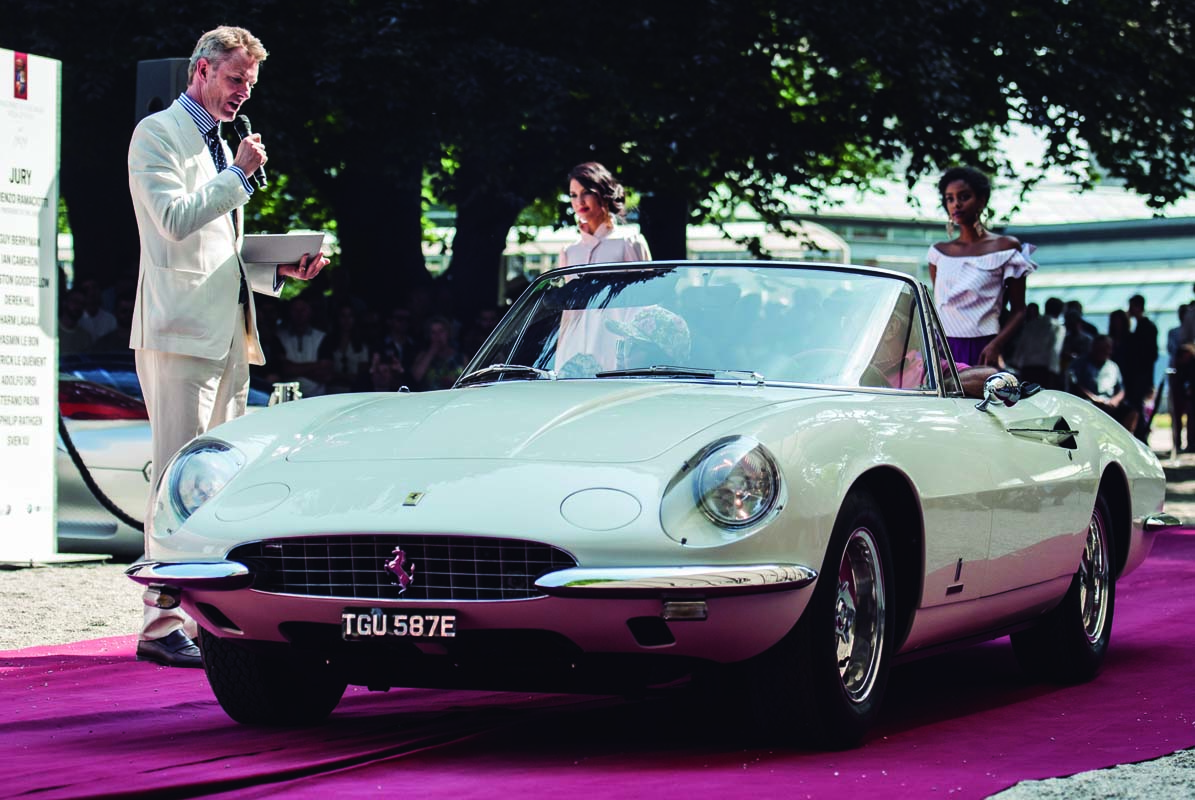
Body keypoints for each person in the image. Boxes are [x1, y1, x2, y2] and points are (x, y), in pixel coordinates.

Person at [127, 25, 328, 667]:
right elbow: (175, 222)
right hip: (177, 332)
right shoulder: (157, 133)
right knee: (175, 475)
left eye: (250, 82)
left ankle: (213, 613)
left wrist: (280, 270)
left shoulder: (217, 141)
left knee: (221, 479)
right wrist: (240, 174)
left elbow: (222, 250)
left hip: (228, 332)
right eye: (236, 78)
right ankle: (159, 625)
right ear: (202, 72)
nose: (243, 91)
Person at [927, 166, 1037, 368]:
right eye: (949, 199)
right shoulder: (938, 253)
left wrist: (996, 345)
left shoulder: (1006, 247)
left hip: (984, 347)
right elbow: (939, 306)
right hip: (942, 347)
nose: (956, 204)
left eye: (964, 196)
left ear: (982, 199)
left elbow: (1019, 310)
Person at [559, 162, 651, 267]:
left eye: (587, 192)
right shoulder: (569, 251)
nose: (579, 202)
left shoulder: (629, 242)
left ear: (603, 193)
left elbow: (647, 283)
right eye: (573, 195)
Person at [1068, 334, 1139, 433]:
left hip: (1109, 403)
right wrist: (1094, 398)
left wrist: (1114, 401)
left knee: (1131, 412)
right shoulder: (1079, 364)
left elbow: (1121, 389)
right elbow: (1075, 384)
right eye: (1101, 348)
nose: (1105, 351)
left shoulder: (1113, 366)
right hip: (1088, 402)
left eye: (1108, 348)